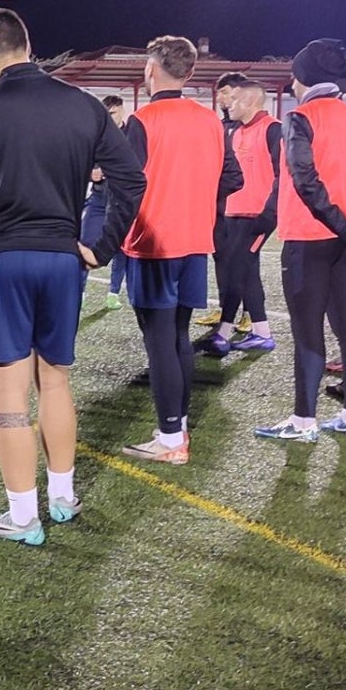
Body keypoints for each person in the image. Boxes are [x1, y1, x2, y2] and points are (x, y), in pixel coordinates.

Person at [0, 9, 145, 545]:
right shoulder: (83, 105)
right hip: (63, 258)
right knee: (55, 380)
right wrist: (102, 248)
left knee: (10, 398)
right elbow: (131, 179)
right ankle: (62, 496)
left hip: (2, 258)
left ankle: (22, 517)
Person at [119, 36, 241, 464]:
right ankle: (178, 427)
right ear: (189, 73)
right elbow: (233, 177)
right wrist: (195, 197)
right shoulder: (209, 120)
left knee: (159, 341)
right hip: (194, 241)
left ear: (151, 69)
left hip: (152, 242)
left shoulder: (144, 119)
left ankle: (170, 438)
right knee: (178, 337)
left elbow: (127, 186)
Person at [254, 39, 346, 442]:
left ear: (300, 77)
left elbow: (303, 178)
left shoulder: (301, 117)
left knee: (307, 331)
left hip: (310, 236)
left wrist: (337, 221)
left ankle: (303, 421)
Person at [197, 79, 281, 355]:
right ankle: (261, 332)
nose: (228, 104)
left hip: (256, 216)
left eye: (234, 99)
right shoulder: (236, 132)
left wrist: (270, 213)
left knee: (237, 269)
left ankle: (222, 333)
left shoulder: (273, 129)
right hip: (232, 212)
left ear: (249, 102)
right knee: (245, 273)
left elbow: (284, 176)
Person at [196, 72, 252, 330]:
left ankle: (250, 313)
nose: (221, 97)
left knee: (245, 262)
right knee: (220, 259)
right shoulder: (219, 127)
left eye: (226, 92)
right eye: (219, 92)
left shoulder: (256, 127)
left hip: (247, 210)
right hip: (220, 208)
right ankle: (224, 310)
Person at [79, 95, 131, 309]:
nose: (109, 118)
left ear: (121, 111)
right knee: (83, 243)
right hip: (99, 199)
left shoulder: (133, 135)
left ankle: (113, 293)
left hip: (121, 201)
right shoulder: (96, 135)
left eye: (112, 113)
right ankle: (79, 291)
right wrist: (91, 173)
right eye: (106, 114)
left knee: (121, 250)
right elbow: (82, 163)